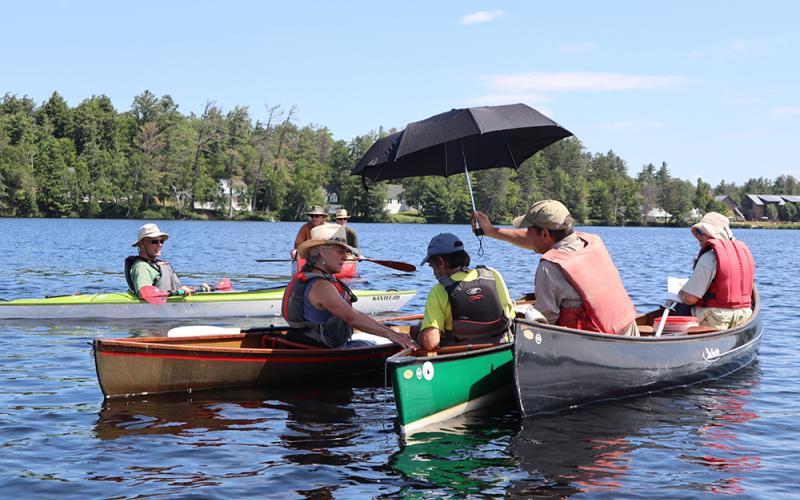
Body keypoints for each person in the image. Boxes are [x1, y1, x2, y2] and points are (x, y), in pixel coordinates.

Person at [473, 200, 639, 336]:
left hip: (600, 346)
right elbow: (533, 241)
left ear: (545, 234)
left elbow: (545, 322)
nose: (527, 234)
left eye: (529, 230)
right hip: (628, 330)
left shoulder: (549, 267)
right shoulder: (589, 241)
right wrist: (491, 231)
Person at [281, 223, 416, 349]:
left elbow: (353, 315)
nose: (345, 257)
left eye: (346, 252)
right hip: (323, 349)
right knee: (379, 344)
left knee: (370, 340)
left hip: (308, 343)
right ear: (322, 252)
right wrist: (392, 335)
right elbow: (351, 317)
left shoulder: (309, 276)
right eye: (340, 251)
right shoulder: (321, 286)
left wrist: (388, 331)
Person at [417, 233, 515, 351]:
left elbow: (431, 342)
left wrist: (418, 333)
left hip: (461, 356)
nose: (434, 273)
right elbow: (510, 315)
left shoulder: (439, 290)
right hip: (500, 349)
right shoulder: (492, 275)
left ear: (441, 262)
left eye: (432, 266)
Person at [678, 212, 755, 329]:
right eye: (697, 232)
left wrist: (681, 293)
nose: (698, 236)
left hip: (715, 319)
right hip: (744, 315)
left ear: (712, 233)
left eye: (701, 232)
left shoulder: (709, 258)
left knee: (678, 308)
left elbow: (690, 299)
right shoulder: (743, 253)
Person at [125, 223, 209, 298]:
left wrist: (195, 288)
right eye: (154, 241)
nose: (160, 245)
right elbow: (144, 294)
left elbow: (173, 288)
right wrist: (180, 292)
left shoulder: (157, 264)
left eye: (161, 241)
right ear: (142, 243)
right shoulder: (142, 267)